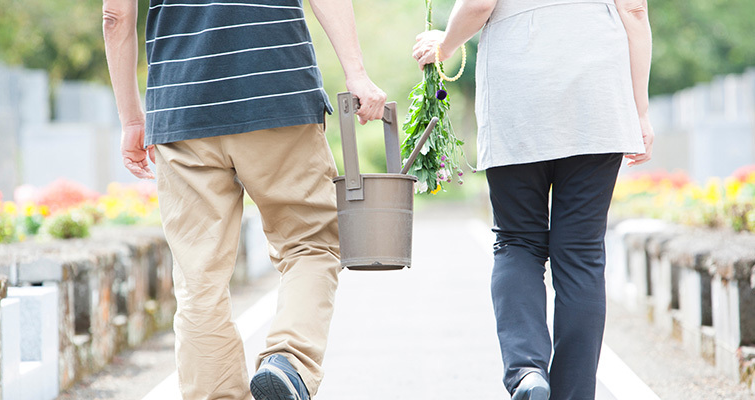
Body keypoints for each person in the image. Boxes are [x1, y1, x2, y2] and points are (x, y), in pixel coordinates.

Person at [102, 0, 386, 399]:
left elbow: (115, 17)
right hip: (277, 92)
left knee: (200, 281)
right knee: (311, 243)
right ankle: (289, 360)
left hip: (182, 109)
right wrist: (356, 74)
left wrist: (132, 118)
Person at [413, 0, 653, 399]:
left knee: (518, 241)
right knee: (580, 253)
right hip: (597, 96)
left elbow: (478, 4)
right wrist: (640, 110)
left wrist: (446, 45)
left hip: (519, 95)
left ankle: (527, 371)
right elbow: (635, 10)